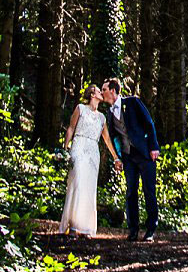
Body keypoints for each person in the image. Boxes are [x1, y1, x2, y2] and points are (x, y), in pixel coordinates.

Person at [101, 77, 161, 241]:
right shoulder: (109, 113)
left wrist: (154, 146)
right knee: (130, 192)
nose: (102, 93)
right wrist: (118, 157)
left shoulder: (133, 102)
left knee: (149, 191)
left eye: (104, 89)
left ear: (113, 91)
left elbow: (149, 123)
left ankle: (150, 229)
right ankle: (133, 229)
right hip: (128, 157)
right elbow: (115, 137)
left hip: (144, 154)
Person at [59, 84, 122, 237]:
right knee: (78, 183)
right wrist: (65, 148)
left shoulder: (102, 117)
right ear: (92, 94)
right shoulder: (80, 108)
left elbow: (106, 139)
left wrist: (115, 158)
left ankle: (84, 226)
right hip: (79, 146)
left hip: (93, 151)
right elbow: (71, 128)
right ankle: (73, 225)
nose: (102, 92)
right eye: (99, 91)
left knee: (89, 187)